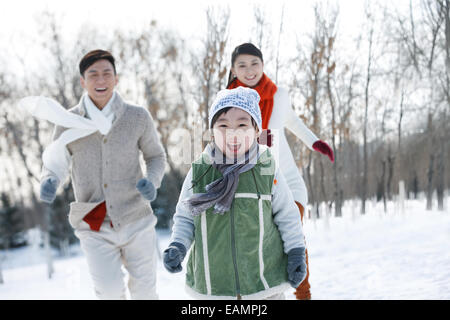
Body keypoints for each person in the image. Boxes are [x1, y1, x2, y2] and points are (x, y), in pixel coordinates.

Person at [24, 49, 166, 299]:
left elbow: (156, 156)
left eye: (106, 74)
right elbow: (56, 160)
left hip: (136, 218)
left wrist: (152, 182)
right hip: (94, 221)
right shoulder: (68, 120)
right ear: (83, 81)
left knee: (145, 293)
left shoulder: (137, 116)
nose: (101, 80)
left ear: (116, 78)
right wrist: (50, 179)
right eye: (93, 75)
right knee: (109, 293)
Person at [163, 87, 307, 300]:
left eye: (242, 125)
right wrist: (177, 246)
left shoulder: (266, 169)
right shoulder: (200, 171)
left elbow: (287, 215)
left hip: (264, 284)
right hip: (214, 286)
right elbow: (185, 216)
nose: (233, 133)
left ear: (256, 131)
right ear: (212, 132)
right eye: (223, 125)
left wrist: (296, 252)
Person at [226, 43, 334, 300]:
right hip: (255, 189)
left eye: (254, 63)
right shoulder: (228, 103)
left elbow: (294, 122)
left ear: (262, 64)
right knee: (263, 249)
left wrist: (315, 142)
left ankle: (304, 293)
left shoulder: (278, 96)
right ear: (233, 69)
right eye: (242, 65)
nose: (249, 70)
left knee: (292, 233)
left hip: (286, 182)